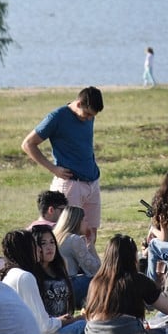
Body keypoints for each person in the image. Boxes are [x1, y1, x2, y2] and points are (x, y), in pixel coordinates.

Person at [21, 86, 104, 244]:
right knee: (69, 234)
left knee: (90, 232)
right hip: (71, 184)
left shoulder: (89, 116)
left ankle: (90, 268)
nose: (88, 119)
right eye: (87, 114)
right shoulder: (57, 117)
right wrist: (53, 168)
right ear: (79, 103)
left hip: (92, 182)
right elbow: (28, 144)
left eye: (92, 116)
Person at [0, 230, 85, 334]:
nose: (39, 249)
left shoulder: (10, 273)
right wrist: (65, 321)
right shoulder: (24, 277)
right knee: (84, 325)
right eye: (35, 245)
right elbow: (43, 327)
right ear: (26, 249)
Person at [53, 206, 100, 308]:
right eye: (85, 220)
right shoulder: (74, 240)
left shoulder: (56, 235)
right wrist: (91, 245)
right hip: (69, 287)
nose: (88, 224)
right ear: (77, 221)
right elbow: (96, 269)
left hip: (55, 285)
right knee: (103, 281)